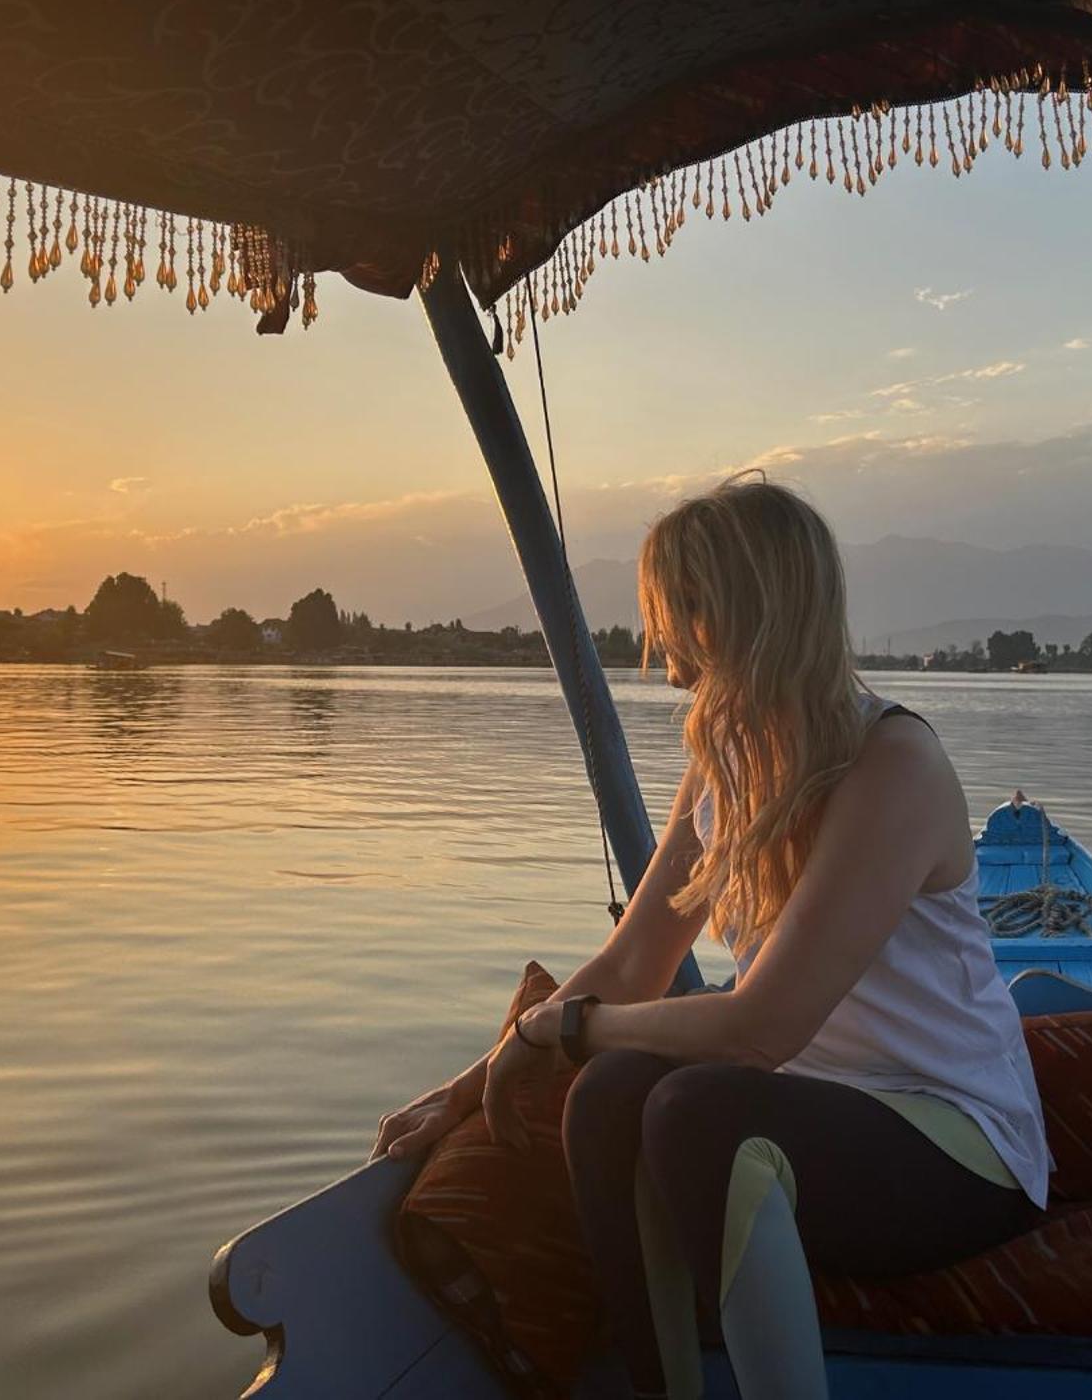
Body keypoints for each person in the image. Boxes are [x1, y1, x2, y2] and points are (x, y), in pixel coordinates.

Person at [374, 474, 1048, 1399]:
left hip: (958, 1143)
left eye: (687, 607)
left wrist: (561, 1030)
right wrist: (466, 1086)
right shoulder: (727, 760)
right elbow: (632, 963)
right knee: (608, 1096)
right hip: (810, 1110)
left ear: (759, 611)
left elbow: (759, 1029)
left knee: (697, 1116)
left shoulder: (894, 764)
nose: (667, 643)